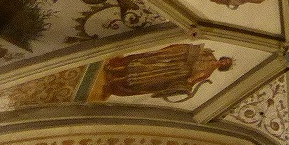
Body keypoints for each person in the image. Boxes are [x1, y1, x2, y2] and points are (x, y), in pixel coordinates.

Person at [98, 43, 233, 101]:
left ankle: (113, 83)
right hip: (172, 62)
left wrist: (187, 86)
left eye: (225, 64)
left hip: (172, 73)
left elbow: (191, 80)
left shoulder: (208, 73)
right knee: (141, 64)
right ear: (223, 58)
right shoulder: (209, 55)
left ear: (223, 67)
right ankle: (113, 70)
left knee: (142, 78)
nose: (223, 62)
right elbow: (190, 50)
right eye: (225, 60)